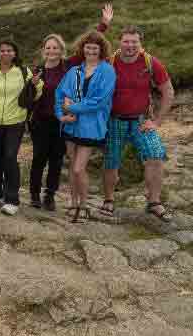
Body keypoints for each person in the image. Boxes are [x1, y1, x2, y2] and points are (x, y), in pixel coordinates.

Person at [102, 22, 175, 221]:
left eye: (134, 42)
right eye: (126, 41)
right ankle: (108, 200)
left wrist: (157, 121)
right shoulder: (109, 62)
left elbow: (168, 91)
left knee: (155, 155)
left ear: (140, 43)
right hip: (114, 120)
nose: (130, 45)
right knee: (111, 161)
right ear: (120, 42)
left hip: (141, 120)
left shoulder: (151, 62)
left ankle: (154, 202)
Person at [0, 41, 42, 216]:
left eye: (9, 50)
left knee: (10, 157)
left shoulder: (23, 72)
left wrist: (35, 84)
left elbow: (37, 93)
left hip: (16, 121)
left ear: (14, 53)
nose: (5, 53)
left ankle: (12, 199)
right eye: (2, 50)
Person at [55, 31, 116, 222]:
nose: (90, 50)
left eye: (95, 48)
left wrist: (71, 107)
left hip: (91, 127)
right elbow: (59, 94)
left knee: (78, 169)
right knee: (73, 166)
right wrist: (60, 115)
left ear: (101, 50)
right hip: (71, 126)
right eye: (88, 47)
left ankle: (83, 206)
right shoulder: (75, 71)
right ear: (83, 48)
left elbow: (99, 101)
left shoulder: (107, 71)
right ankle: (73, 203)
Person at [28, 35, 69, 211]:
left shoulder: (67, 69)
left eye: (55, 48)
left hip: (60, 121)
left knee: (56, 160)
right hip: (40, 121)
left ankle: (50, 195)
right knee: (38, 159)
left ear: (61, 50)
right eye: (48, 48)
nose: (51, 51)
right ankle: (34, 195)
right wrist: (31, 85)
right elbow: (28, 97)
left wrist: (103, 26)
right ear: (43, 50)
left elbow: (87, 51)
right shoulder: (37, 71)